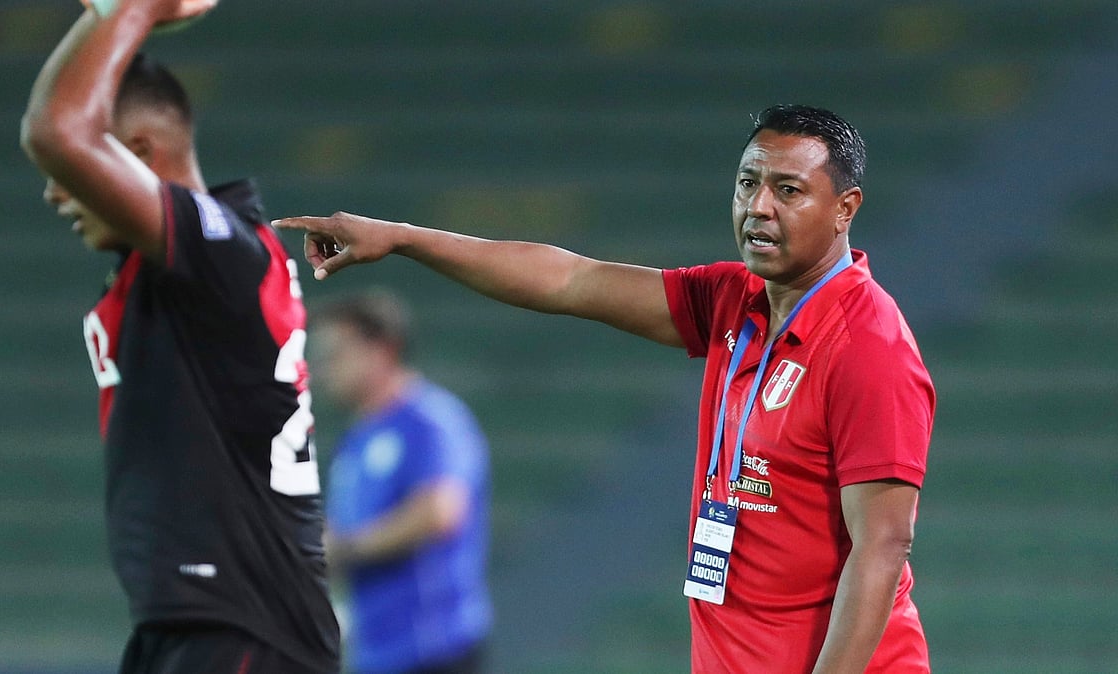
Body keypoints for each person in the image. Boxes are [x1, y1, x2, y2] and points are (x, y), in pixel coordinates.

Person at [275, 105, 935, 673]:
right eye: (747, 183)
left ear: (846, 207)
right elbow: (570, 280)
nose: (758, 206)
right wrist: (401, 239)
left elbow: (882, 546)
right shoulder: (734, 300)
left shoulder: (867, 347)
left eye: (788, 190)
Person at [19, 1, 340, 671]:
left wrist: (134, 7)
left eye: (71, 179)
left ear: (135, 154)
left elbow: (54, 131)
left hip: (243, 629)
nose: (55, 194)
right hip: (202, 624)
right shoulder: (190, 266)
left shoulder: (221, 251)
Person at [310, 290, 492, 674]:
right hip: (377, 655)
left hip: (436, 650)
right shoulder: (356, 440)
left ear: (382, 350)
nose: (325, 369)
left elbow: (441, 510)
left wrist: (347, 549)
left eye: (336, 354)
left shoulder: (430, 420)